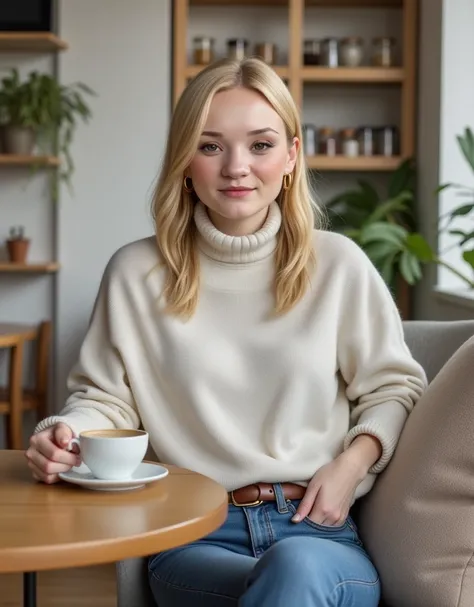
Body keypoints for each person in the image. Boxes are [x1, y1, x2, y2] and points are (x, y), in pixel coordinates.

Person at [26, 57, 427, 607]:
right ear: (185, 163)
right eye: (211, 146)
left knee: (295, 567)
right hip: (192, 534)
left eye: (260, 145)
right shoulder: (135, 273)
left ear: (291, 156)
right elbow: (104, 399)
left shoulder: (339, 266)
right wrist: (66, 432)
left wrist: (350, 464)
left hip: (318, 531)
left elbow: (395, 388)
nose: (237, 167)